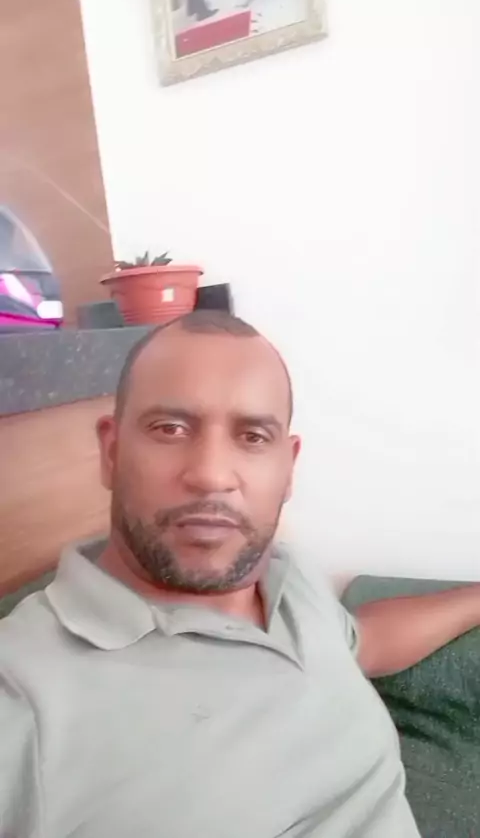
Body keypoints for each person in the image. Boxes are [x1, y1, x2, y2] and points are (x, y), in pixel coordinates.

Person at [1, 310, 480, 837]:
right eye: (170, 429)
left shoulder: (281, 574)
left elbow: (359, 642)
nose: (211, 474)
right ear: (112, 453)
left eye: (252, 436)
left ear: (288, 467)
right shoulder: (23, 690)